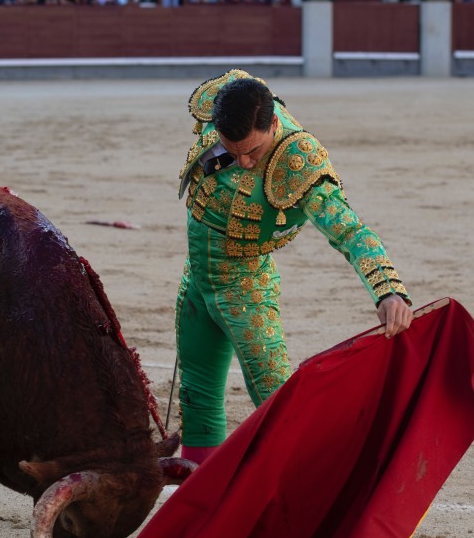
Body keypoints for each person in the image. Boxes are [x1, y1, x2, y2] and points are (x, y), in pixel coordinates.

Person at [174, 69, 413, 464]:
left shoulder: (298, 162)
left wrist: (389, 289)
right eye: (232, 150)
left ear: (272, 123)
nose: (245, 161)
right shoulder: (227, 100)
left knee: (278, 401)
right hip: (197, 278)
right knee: (196, 396)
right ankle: (201, 502)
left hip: (245, 288)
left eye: (253, 150)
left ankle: (315, 491)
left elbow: (351, 231)